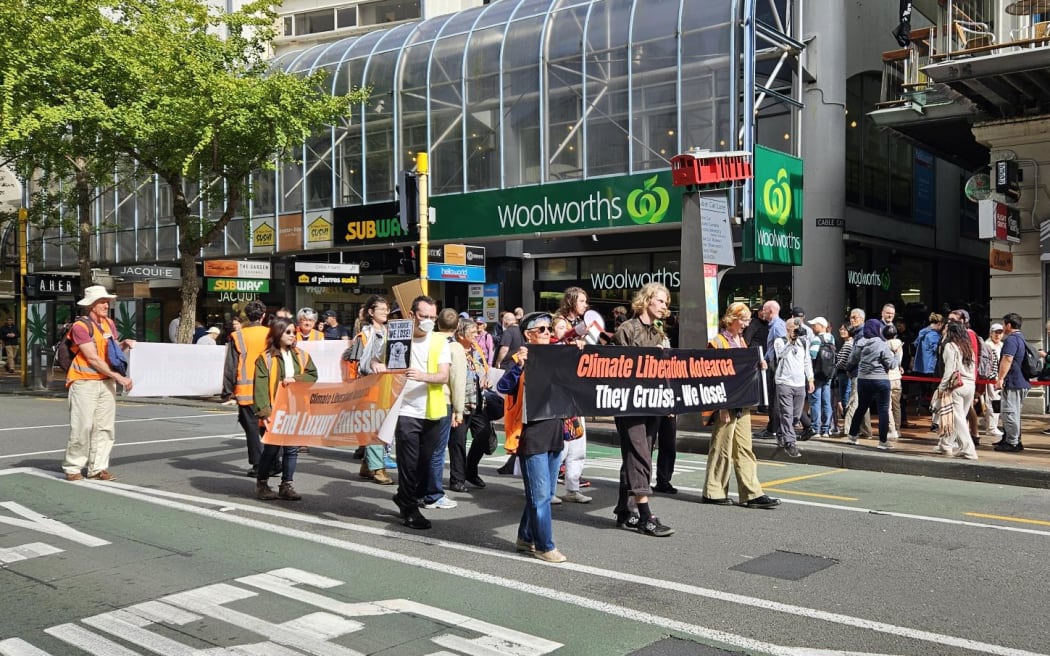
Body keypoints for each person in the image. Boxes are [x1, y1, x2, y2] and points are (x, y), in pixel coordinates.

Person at [498, 311, 569, 563]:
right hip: (532, 434)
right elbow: (503, 387)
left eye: (550, 329)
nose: (548, 333)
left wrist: (581, 350)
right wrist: (518, 364)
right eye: (542, 330)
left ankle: (525, 537)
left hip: (554, 432)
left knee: (544, 492)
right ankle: (544, 546)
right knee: (540, 495)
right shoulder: (520, 358)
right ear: (528, 334)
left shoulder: (558, 356)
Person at [611, 282, 675, 537]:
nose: (664, 307)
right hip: (630, 402)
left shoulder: (659, 332)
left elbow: (666, 369)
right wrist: (652, 355)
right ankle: (646, 516)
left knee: (640, 453)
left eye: (666, 303)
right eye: (660, 301)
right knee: (639, 454)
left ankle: (624, 511)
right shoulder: (627, 329)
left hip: (653, 401)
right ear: (647, 300)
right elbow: (620, 366)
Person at [703, 302, 780, 508]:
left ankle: (751, 493)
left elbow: (743, 370)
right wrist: (721, 406)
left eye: (747, 320)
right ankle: (714, 490)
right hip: (726, 402)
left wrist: (759, 365)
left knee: (744, 448)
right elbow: (712, 376)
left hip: (742, 401)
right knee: (721, 447)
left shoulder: (740, 340)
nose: (746, 324)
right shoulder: (718, 342)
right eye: (744, 320)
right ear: (733, 319)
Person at [62, 286, 135, 482]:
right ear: (91, 305)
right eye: (102, 301)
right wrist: (119, 377)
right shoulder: (80, 326)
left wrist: (123, 345)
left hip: (105, 381)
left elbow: (109, 350)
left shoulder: (109, 323)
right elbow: (92, 358)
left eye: (107, 301)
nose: (106, 304)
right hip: (84, 381)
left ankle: (98, 468)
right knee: (82, 426)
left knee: (105, 427)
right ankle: (73, 467)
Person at [391, 295, 451, 530]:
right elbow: (376, 361)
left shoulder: (439, 342)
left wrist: (422, 376)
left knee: (425, 462)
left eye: (432, 317)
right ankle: (410, 508)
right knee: (408, 462)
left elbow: (443, 375)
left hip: (432, 410)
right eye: (423, 316)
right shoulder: (398, 336)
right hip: (404, 409)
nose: (428, 321)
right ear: (412, 316)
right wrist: (376, 364)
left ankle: (403, 496)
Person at [252, 317, 318, 500]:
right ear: (278, 333)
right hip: (275, 411)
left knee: (291, 449)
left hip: (295, 409)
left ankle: (286, 485)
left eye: (292, 332)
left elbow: (313, 375)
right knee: (272, 450)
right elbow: (260, 386)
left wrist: (296, 379)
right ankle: (262, 484)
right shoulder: (266, 359)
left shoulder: (301, 355)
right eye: (287, 332)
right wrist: (265, 411)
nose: (291, 335)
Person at [222, 300, 274, 477]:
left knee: (252, 428)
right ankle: (275, 462)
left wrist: (227, 390)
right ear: (263, 315)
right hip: (268, 389)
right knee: (268, 426)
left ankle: (259, 465)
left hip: (246, 391)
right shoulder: (271, 334)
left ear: (246, 316)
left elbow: (231, 365)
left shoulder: (238, 336)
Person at [421, 308, 465, 511]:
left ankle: (420, 489)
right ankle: (434, 494)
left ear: (437, 323)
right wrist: (459, 409)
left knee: (423, 448)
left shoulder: (426, 340)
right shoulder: (454, 347)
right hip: (443, 399)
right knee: (438, 450)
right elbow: (458, 380)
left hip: (420, 397)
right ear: (457, 327)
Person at [351, 295, 395, 485]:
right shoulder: (364, 337)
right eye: (382, 309)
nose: (386, 312)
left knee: (380, 428)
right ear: (371, 312)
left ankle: (367, 465)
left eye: (387, 309)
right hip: (368, 389)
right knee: (374, 428)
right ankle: (377, 469)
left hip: (387, 388)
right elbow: (355, 364)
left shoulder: (389, 333)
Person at [449, 317, 496, 492]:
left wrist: (485, 377)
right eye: (473, 332)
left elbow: (482, 369)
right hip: (461, 402)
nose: (477, 334)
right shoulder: (454, 350)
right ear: (461, 334)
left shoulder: (476, 349)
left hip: (478, 401)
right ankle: (457, 479)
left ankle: (470, 469)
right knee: (458, 442)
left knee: (484, 437)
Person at [549, 314, 591, 504]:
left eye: (565, 327)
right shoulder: (549, 346)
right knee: (561, 449)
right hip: (558, 405)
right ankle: (548, 490)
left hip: (574, 403)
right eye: (559, 327)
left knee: (578, 447)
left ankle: (572, 488)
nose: (564, 331)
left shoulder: (573, 345)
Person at [846, 319, 899, 450]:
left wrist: (849, 369)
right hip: (881, 380)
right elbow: (891, 364)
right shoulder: (882, 344)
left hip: (863, 379)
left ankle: (852, 436)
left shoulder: (860, 342)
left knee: (861, 407)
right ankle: (882, 441)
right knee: (883, 410)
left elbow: (852, 360)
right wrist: (897, 355)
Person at [934, 321, 978, 460]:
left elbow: (949, 370)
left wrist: (941, 387)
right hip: (970, 385)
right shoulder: (968, 347)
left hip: (957, 386)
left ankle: (968, 449)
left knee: (957, 419)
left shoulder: (950, 346)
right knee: (959, 418)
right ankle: (946, 444)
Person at [772, 317, 812, 457]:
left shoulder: (803, 343)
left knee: (796, 415)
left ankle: (781, 432)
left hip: (800, 383)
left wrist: (810, 379)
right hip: (784, 382)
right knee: (787, 413)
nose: (796, 329)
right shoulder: (780, 341)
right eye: (793, 327)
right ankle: (790, 443)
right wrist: (791, 341)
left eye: (798, 327)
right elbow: (781, 355)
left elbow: (807, 361)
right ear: (787, 328)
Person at [995, 312, 1030, 452]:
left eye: (1004, 324)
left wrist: (1000, 378)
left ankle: (1012, 442)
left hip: (1013, 382)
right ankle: (1012, 438)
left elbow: (1007, 359)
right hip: (1020, 381)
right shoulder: (1021, 338)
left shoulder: (1011, 340)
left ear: (1009, 325)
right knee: (1014, 412)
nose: (1003, 327)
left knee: (1009, 412)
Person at [807, 317, 835, 438]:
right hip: (828, 374)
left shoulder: (816, 340)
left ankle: (816, 428)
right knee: (827, 401)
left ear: (821, 326)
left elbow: (812, 356)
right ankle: (826, 429)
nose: (813, 327)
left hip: (817, 375)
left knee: (815, 401)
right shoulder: (832, 338)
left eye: (815, 325)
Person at [979, 323, 1004, 439]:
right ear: (991, 333)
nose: (998, 335)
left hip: (999, 378)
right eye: (996, 332)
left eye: (1000, 332)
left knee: (996, 402)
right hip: (992, 379)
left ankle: (990, 423)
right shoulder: (988, 345)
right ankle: (992, 427)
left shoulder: (1002, 345)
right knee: (994, 402)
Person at [883, 323, 904, 440]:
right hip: (897, 378)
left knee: (887, 406)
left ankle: (892, 430)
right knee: (897, 406)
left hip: (887, 377)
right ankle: (898, 429)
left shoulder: (885, 345)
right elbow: (898, 361)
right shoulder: (899, 344)